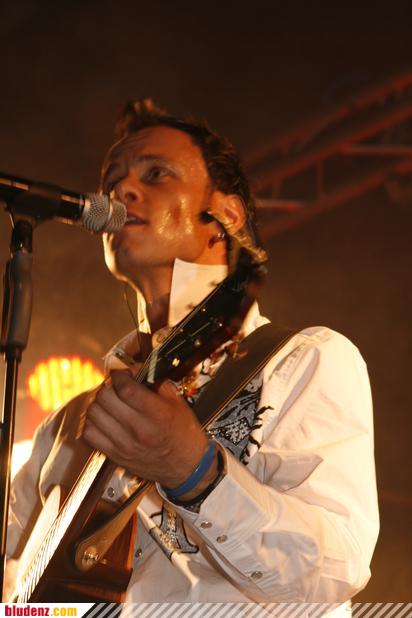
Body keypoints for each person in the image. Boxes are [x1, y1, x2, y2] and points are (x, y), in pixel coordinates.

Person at [6, 99, 379, 606]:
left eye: (155, 174)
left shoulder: (304, 361)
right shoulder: (65, 425)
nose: (120, 191)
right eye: (112, 181)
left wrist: (194, 472)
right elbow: (17, 590)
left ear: (225, 215)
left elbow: (335, 568)